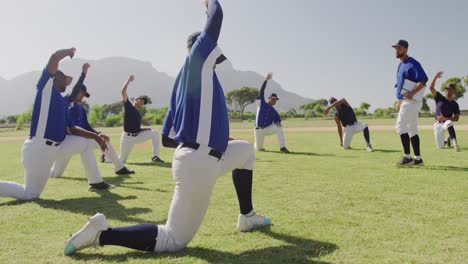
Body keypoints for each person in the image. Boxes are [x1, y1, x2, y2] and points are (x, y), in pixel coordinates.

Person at [64, 0, 271, 256]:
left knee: (246, 152)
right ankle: (101, 233)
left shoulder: (182, 85)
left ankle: (247, 216)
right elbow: (217, 17)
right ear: (201, 49)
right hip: (199, 164)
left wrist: (208, 140)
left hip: (201, 157)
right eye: (215, 55)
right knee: (173, 240)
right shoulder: (198, 61)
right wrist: (209, 5)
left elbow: (166, 139)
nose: (217, 60)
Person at [0, 48, 112, 200]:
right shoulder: (46, 89)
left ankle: (95, 182)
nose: (67, 83)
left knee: (85, 143)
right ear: (56, 77)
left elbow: (73, 128)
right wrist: (68, 52)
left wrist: (97, 137)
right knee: (30, 194)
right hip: (39, 149)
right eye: (65, 80)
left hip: (59, 146)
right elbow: (53, 58)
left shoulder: (63, 103)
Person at [50, 63, 135, 179]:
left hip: (78, 141)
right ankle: (40, 173)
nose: (83, 97)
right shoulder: (64, 102)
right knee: (55, 174)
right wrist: (83, 74)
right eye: (82, 94)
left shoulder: (81, 110)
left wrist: (98, 133)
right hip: (65, 141)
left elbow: (87, 127)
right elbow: (71, 128)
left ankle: (119, 168)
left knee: (104, 139)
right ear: (78, 91)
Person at [393, 40, 428, 166]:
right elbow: (402, 85)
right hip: (406, 101)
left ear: (406, 49)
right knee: (412, 129)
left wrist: (412, 93)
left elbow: (423, 80)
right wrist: (400, 101)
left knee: (400, 126)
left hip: (412, 100)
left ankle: (407, 157)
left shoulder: (413, 63)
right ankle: (418, 159)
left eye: (399, 48)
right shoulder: (400, 65)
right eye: (396, 48)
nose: (397, 50)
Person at [116, 75, 163, 163]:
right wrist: (128, 80)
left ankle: (155, 157)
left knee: (155, 133)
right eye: (140, 99)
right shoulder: (129, 106)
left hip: (137, 136)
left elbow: (135, 128)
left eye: (143, 102)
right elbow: (123, 91)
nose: (141, 101)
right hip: (126, 138)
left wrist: (144, 129)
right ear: (134, 100)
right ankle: (106, 157)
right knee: (122, 160)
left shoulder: (138, 114)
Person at [254, 73, 290, 153]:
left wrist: (277, 122)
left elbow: (277, 119)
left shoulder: (274, 111)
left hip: (267, 129)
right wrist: (266, 80)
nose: (274, 100)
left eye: (275, 99)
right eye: (273, 99)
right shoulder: (262, 103)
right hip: (258, 130)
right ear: (269, 98)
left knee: (279, 127)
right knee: (259, 149)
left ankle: (282, 147)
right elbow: (261, 91)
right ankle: (256, 144)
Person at [428, 71, 460, 152]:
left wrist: (445, 118)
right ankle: (447, 140)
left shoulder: (454, 104)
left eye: (450, 89)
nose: (448, 91)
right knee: (440, 147)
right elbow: (431, 88)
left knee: (449, 122)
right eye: (447, 89)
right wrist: (435, 77)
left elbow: (456, 118)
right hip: (437, 124)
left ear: (454, 91)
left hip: (446, 123)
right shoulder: (439, 97)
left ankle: (455, 144)